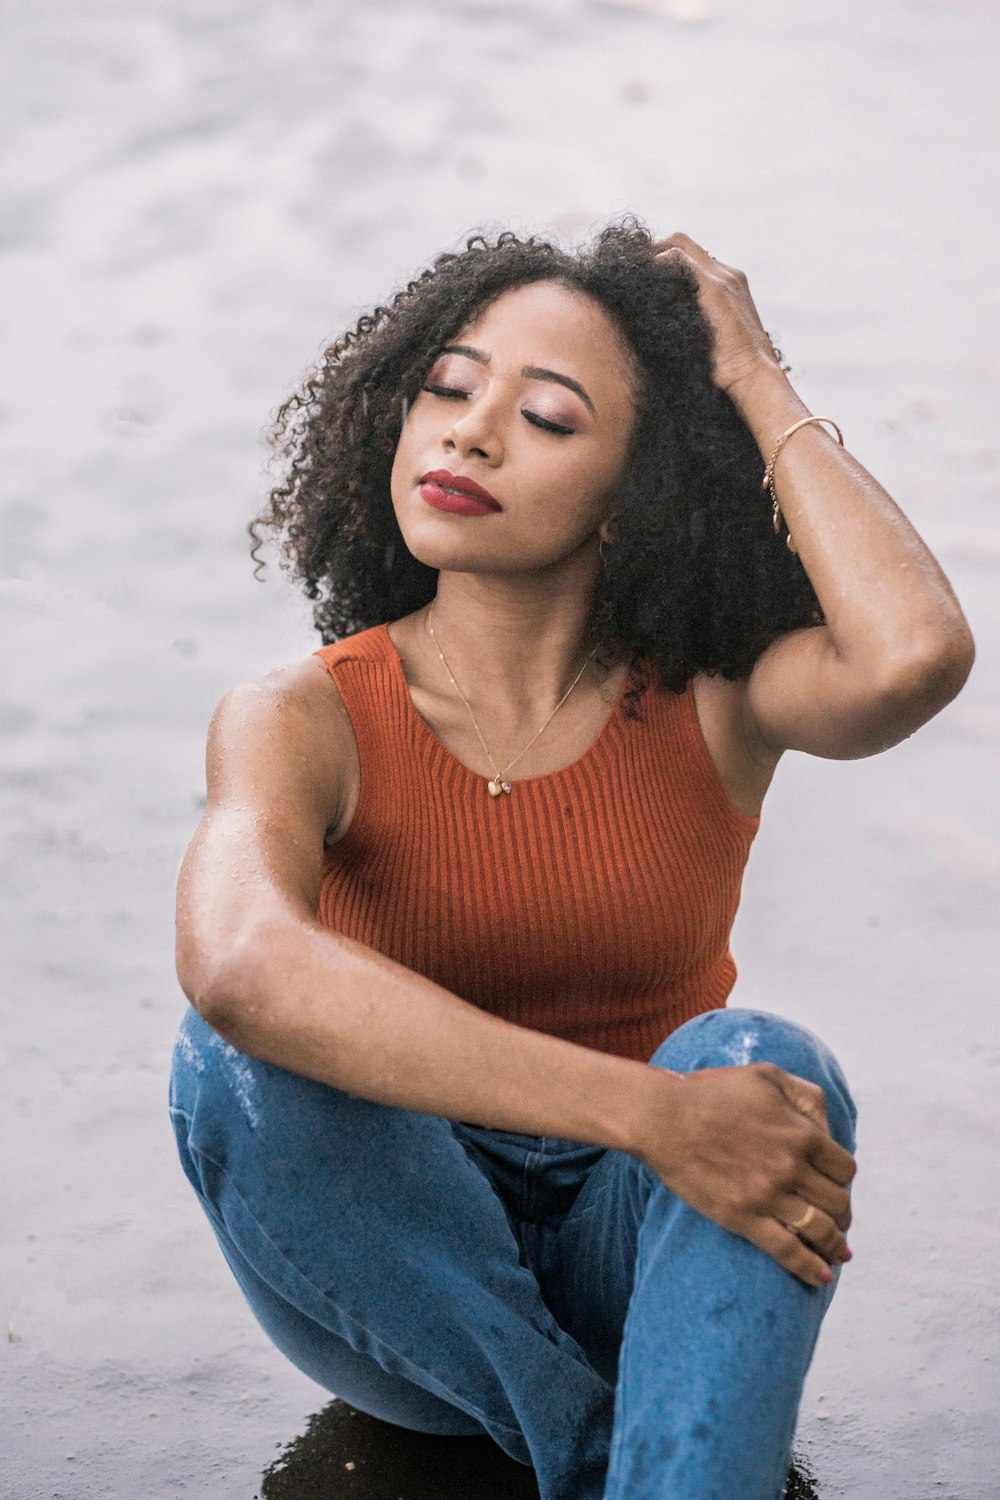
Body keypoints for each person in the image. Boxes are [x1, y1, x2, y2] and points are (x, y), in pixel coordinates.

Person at [167, 221, 975, 1500]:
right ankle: (601, 1455)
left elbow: (911, 658)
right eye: (446, 389)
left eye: (545, 419)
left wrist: (754, 378)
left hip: (642, 1235)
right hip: (404, 1275)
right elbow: (237, 967)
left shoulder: (713, 696)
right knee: (230, 1055)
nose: (468, 433)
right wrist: (655, 1114)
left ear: (631, 493)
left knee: (768, 1064)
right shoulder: (298, 714)